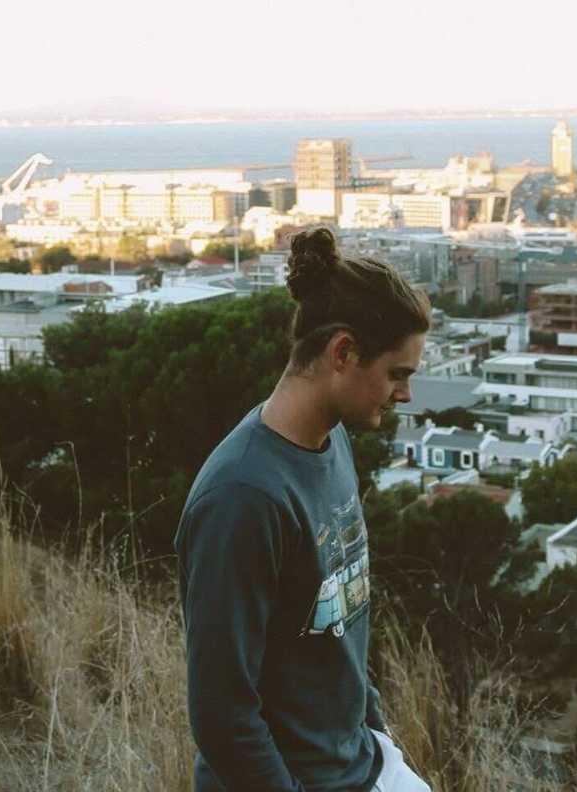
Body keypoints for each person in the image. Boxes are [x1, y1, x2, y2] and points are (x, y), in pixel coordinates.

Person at [175, 227, 433, 792]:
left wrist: (375, 729)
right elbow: (221, 715)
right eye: (397, 374)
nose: (405, 395)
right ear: (343, 352)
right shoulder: (243, 497)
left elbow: (335, 622)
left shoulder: (330, 441)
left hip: (362, 764)